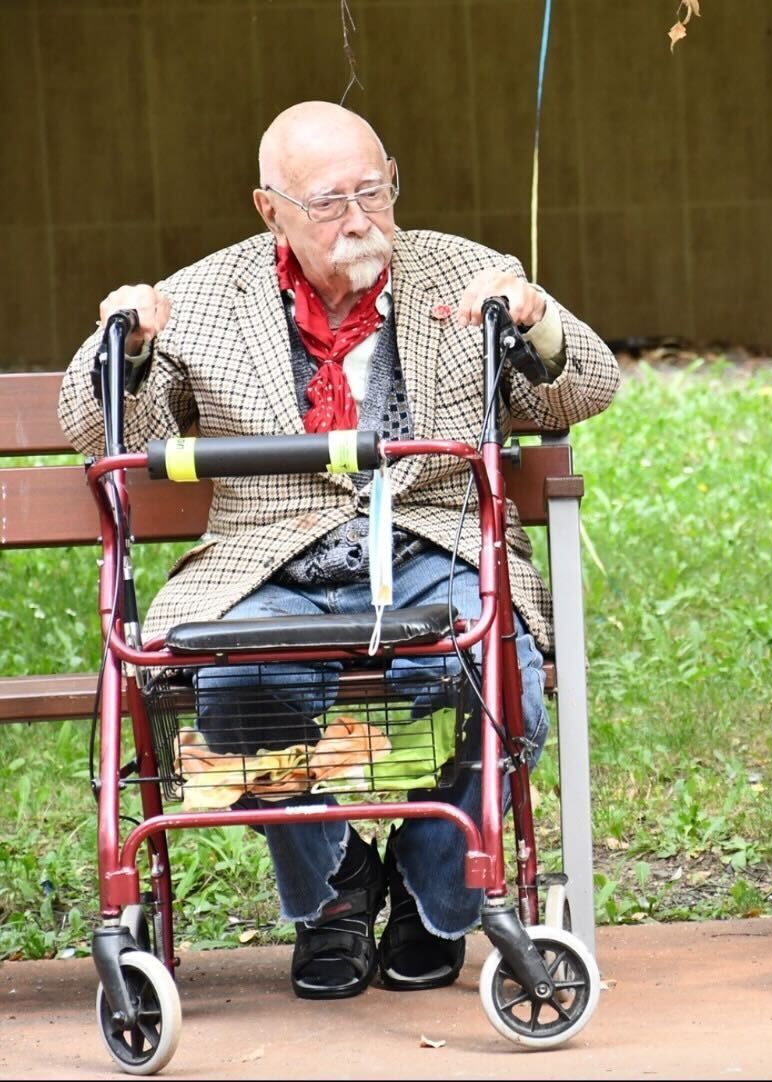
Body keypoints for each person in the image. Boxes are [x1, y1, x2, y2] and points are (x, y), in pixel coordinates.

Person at [58, 101, 620, 997]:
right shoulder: (204, 295)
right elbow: (95, 427)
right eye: (330, 202)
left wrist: (533, 316)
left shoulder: (467, 271)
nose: (360, 220)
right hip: (273, 559)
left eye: (374, 191)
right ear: (268, 207)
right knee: (241, 695)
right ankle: (333, 892)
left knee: (503, 677)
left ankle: (437, 897)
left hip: (431, 542)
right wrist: (123, 346)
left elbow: (586, 388)